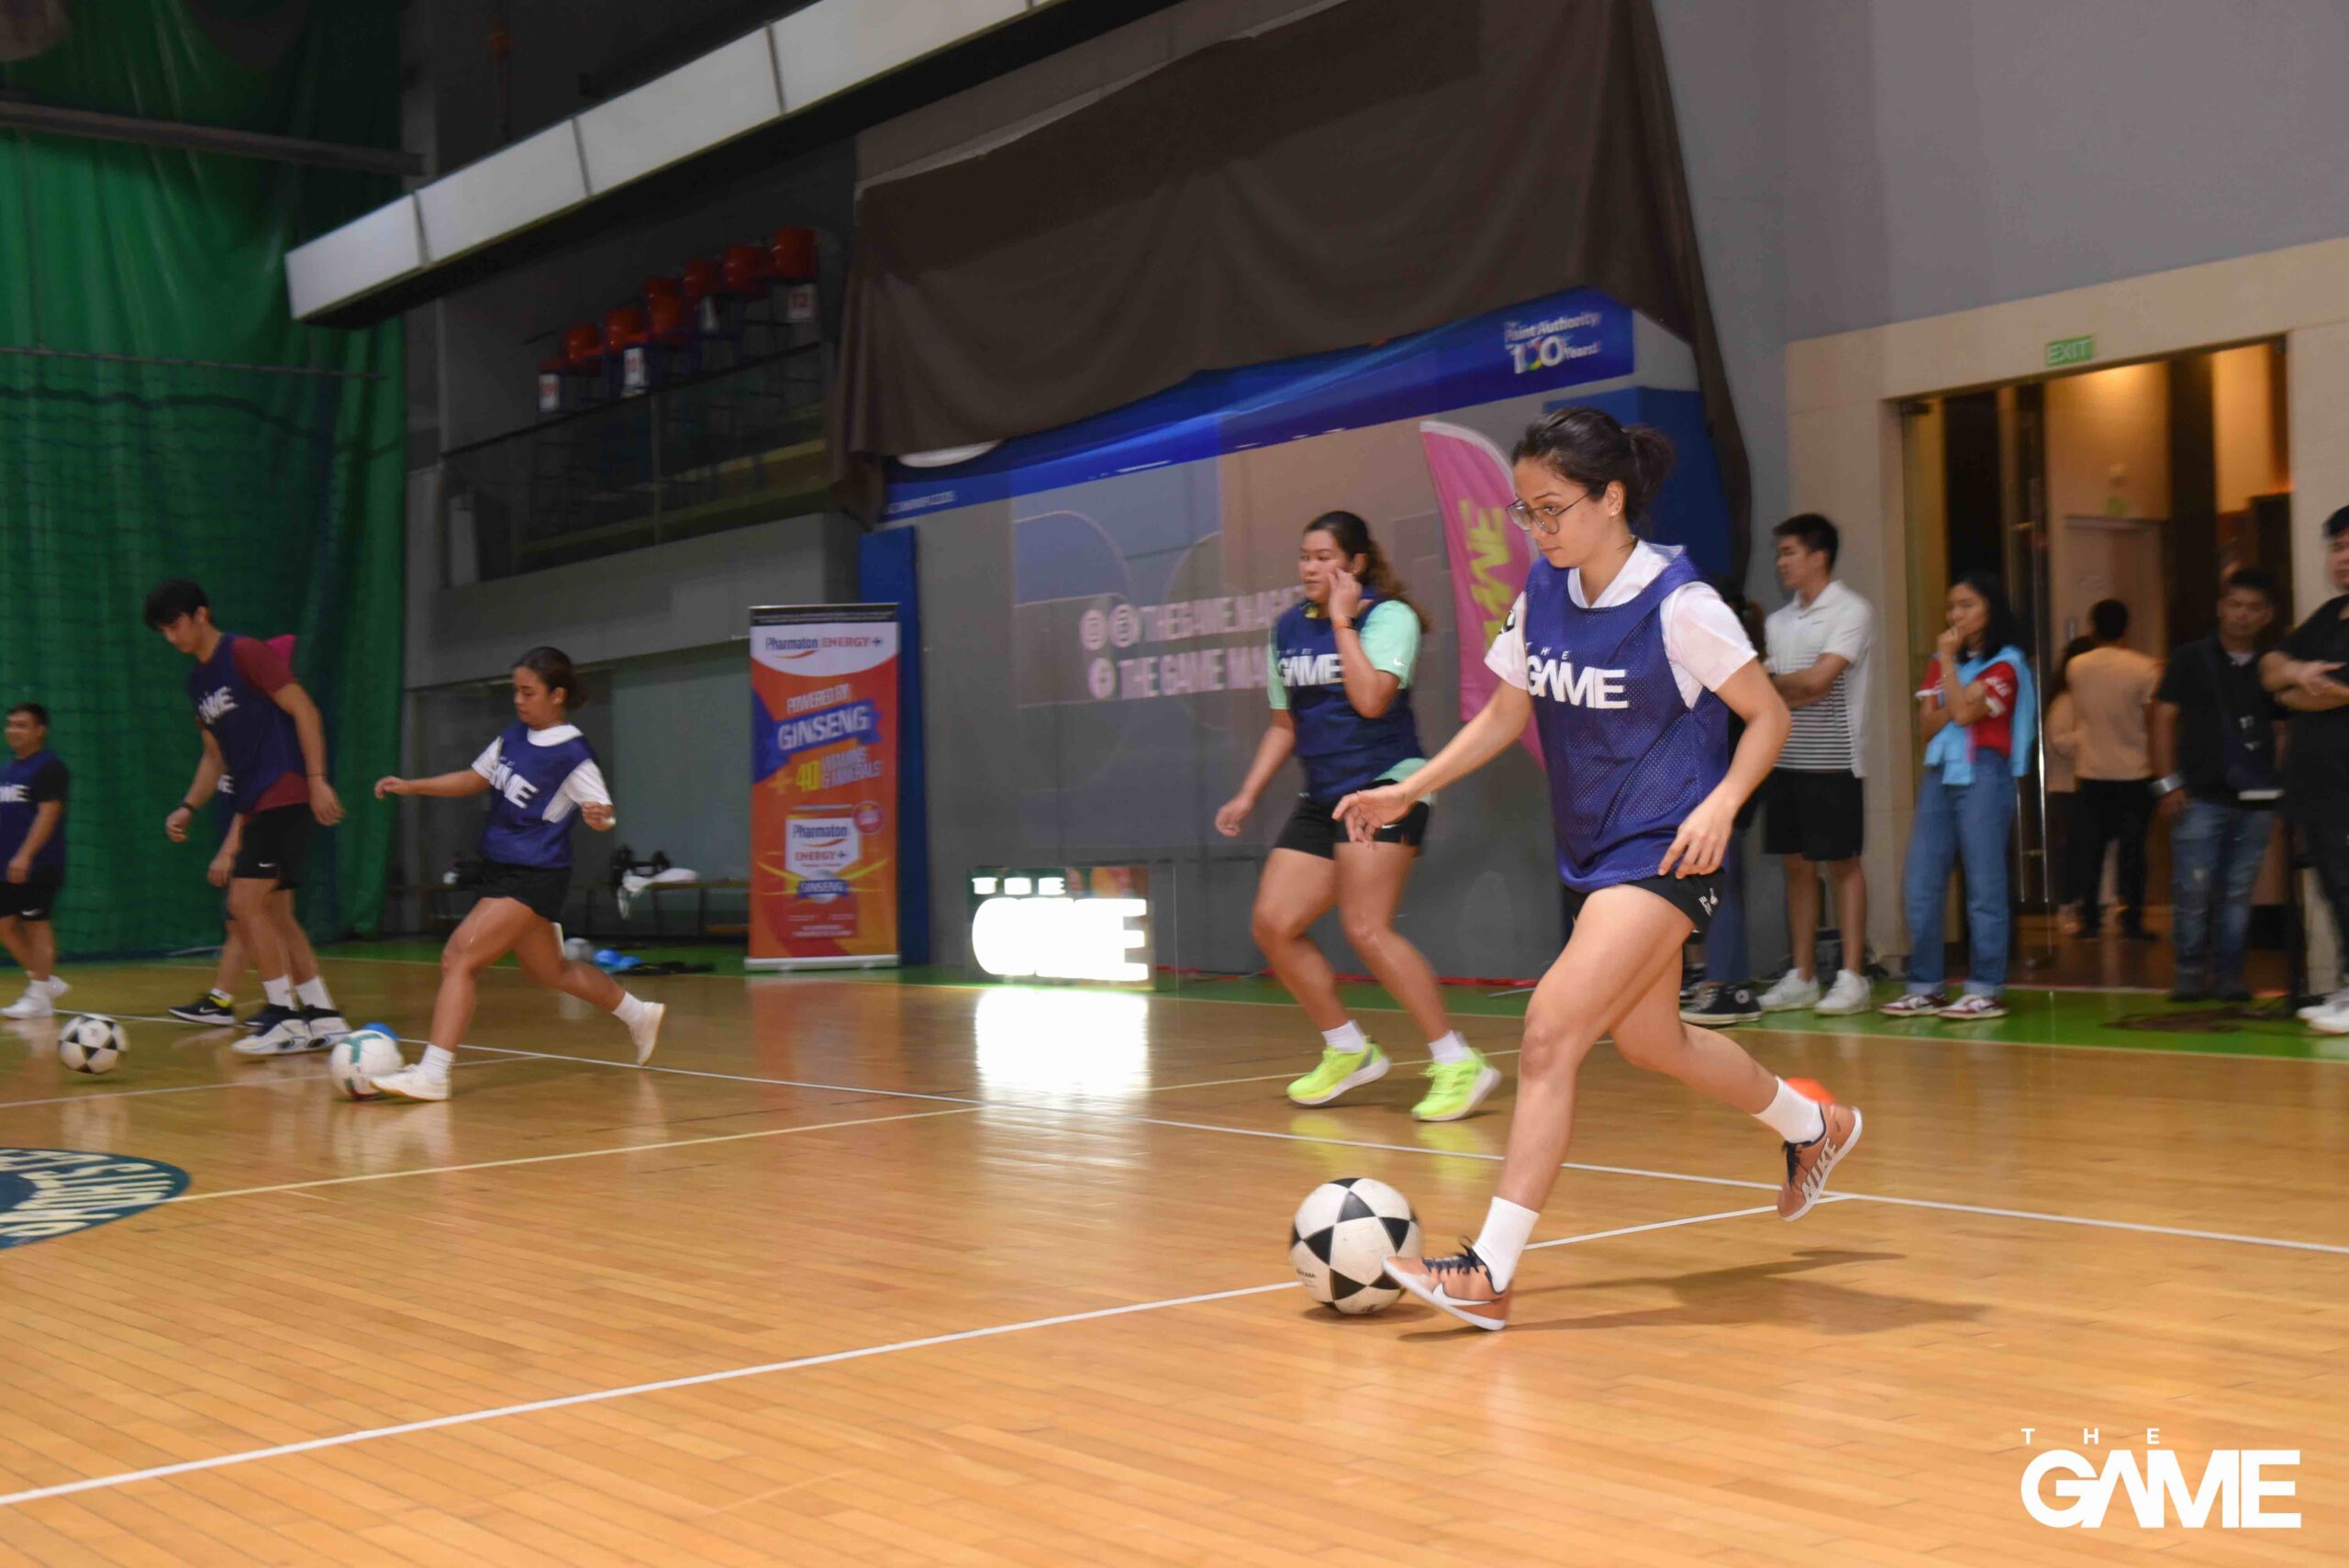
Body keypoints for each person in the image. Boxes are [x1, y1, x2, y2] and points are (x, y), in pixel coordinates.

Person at [1335, 408, 1860, 1331]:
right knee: (1655, 1043)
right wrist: (1405, 789)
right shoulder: (1542, 593)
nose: (1537, 531)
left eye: (1552, 510)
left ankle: (1487, 1272)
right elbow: (1503, 718)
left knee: (1548, 1032)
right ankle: (1811, 1125)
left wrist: (1723, 800)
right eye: (1525, 513)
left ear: (1611, 498)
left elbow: (1767, 717)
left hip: (1667, 849)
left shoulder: (1680, 605)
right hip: (1596, 853)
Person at [1217, 511, 1496, 1122]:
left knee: (1366, 927)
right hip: (1322, 797)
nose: (1311, 567)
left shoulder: (1387, 617)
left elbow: (1372, 700)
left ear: (1356, 564)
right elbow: (1282, 723)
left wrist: (1343, 620)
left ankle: (1457, 1060)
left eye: (1324, 557)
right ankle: (1349, 1049)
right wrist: (1247, 794)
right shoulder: (1288, 627)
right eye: (1305, 556)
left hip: (1385, 788)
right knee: (1273, 923)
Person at [368, 647, 663, 1099]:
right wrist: (411, 785)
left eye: (529, 692)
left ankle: (433, 1074)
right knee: (553, 972)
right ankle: (639, 1014)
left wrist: (599, 818)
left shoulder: (573, 754)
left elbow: (601, 813)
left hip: (534, 875)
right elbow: (473, 779)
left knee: (458, 958)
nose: (520, 701)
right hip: (502, 870)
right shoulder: (513, 737)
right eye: (516, 692)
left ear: (557, 695)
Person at [145, 583, 349, 1052]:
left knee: (244, 903)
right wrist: (188, 806)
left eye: (175, 625)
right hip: (254, 800)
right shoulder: (196, 683)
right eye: (163, 632)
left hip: (285, 791)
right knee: (276, 912)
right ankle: (322, 1015)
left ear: (201, 614)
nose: (171, 638)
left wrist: (317, 779)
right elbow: (214, 758)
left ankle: (283, 1016)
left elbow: (305, 710)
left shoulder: (246, 653)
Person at [1885, 573, 2035, 1021]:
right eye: (1951, 607)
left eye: (1967, 605)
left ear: (1991, 608)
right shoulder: (1939, 662)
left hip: (1985, 775)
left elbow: (1968, 715)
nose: (1955, 616)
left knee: (1985, 884)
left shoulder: (2007, 664)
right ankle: (1927, 986)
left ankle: (1985, 986)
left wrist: (1951, 675)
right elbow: (1927, 726)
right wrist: (1959, 692)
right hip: (1938, 774)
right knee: (1920, 884)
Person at [1753, 514, 1876, 1017]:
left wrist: (1772, 686)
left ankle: (1852, 976)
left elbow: (1818, 683)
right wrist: (1782, 687)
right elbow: (1787, 690)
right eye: (1779, 553)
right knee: (1797, 866)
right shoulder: (1778, 622)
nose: (1781, 562)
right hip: (1785, 758)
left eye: (1789, 552)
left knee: (1842, 864)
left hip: (1835, 762)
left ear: (1818, 555)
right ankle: (1802, 975)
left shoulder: (1851, 610)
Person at [2152, 570, 2283, 1003]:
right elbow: (2163, 718)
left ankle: (2230, 974)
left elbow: (2283, 731)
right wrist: (2168, 785)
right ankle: (2189, 971)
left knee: (2238, 892)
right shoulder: (2192, 658)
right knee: (2193, 888)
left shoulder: (2272, 664)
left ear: (2267, 615)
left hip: (2257, 799)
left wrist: (2281, 787)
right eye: (2234, 605)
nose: (2242, 615)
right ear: (2219, 608)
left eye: (2252, 607)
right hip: (2199, 795)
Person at [2263, 506, 2349, 1034]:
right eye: (2337, 548)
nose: (2342, 558)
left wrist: (2301, 691)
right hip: (2317, 784)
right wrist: (2295, 674)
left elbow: (2329, 694)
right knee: (2333, 886)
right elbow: (2271, 670)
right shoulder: (2329, 615)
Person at [1680, 584, 1768, 1027]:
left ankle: (1731, 985)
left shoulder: (1729, 674)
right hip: (1709, 789)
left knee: (1720, 885)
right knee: (1707, 886)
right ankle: (1714, 978)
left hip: (1723, 791)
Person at [2062, 598, 2162, 940]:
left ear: (2092, 628)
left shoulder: (2076, 666)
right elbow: (2150, 720)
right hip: (2135, 771)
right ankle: (2131, 918)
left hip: (2091, 770)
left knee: (2091, 848)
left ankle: (2089, 918)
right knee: (2133, 852)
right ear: (2126, 629)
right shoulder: (2145, 668)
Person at [0, 704, 70, 1019]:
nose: (14, 730)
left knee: (36, 925)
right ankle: (44, 980)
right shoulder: (7, 771)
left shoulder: (49, 767)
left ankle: (40, 997)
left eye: (22, 725)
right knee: (3, 926)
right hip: (6, 864)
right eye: (11, 725)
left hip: (39, 863)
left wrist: (26, 855)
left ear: (40, 730)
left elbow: (49, 813)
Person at [2042, 636, 2096, 934]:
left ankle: (2088, 907)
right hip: (2066, 786)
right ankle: (2066, 908)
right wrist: (2090, 736)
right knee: (2069, 851)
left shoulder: (2084, 698)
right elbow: (2059, 741)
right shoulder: (2066, 701)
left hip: (2085, 783)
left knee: (2085, 850)